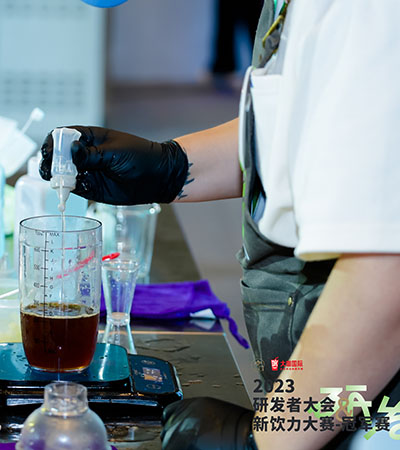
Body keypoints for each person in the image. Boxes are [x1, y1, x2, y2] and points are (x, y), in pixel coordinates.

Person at [42, 0, 400, 448]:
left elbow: (386, 272)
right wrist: (170, 167)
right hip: (321, 402)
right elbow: (297, 129)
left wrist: (267, 440)